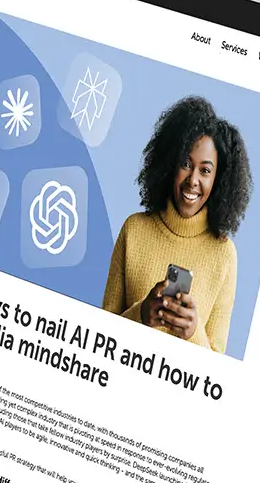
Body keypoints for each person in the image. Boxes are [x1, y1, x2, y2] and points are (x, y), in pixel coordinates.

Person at [102, 96, 250, 352]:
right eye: (186, 164)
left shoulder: (224, 254)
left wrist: (193, 333)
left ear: (219, 179)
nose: (193, 180)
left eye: (205, 170)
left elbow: (217, 365)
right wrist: (141, 315)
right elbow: (99, 333)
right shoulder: (133, 230)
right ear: (170, 164)